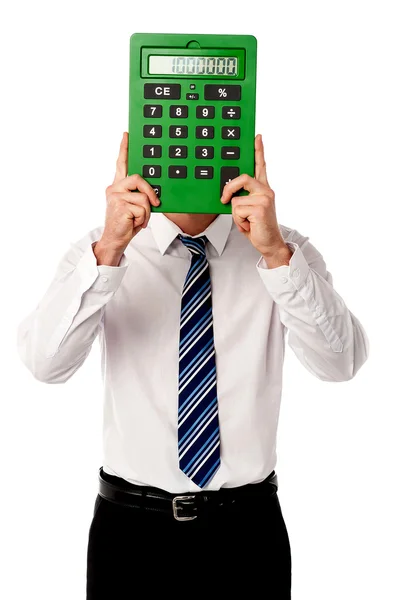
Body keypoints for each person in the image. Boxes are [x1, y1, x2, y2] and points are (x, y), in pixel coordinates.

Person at [17, 131, 369, 599]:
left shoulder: (287, 253)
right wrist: (108, 253)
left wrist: (276, 255)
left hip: (248, 533)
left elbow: (341, 362)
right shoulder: (98, 252)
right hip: (129, 534)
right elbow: (46, 364)